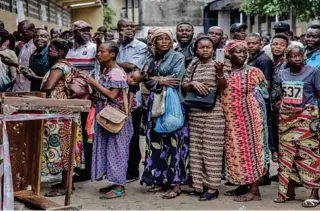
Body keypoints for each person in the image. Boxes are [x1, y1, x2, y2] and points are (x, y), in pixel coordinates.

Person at [80, 41, 133, 199]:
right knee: (110, 150)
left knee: (117, 151)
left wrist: (93, 83)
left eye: (102, 51)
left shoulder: (116, 72)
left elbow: (112, 95)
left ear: (112, 54)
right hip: (106, 116)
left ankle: (119, 187)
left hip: (116, 117)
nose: (98, 54)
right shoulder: (107, 69)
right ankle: (114, 182)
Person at [141, 28, 189, 199]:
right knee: (156, 142)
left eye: (167, 39)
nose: (164, 42)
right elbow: (145, 80)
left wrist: (156, 79)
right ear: (154, 42)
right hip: (154, 105)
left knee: (175, 143)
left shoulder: (178, 57)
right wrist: (160, 80)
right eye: (159, 39)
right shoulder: (151, 58)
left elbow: (176, 80)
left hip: (172, 104)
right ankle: (159, 179)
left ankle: (175, 184)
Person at [222, 40, 269, 202]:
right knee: (235, 152)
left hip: (249, 118)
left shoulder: (254, 72)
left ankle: (255, 191)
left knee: (251, 152)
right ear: (229, 54)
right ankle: (243, 184)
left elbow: (264, 90)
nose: (242, 55)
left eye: (244, 52)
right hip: (230, 118)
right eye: (237, 52)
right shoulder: (224, 71)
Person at [273, 45, 320, 208]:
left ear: (304, 56)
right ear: (287, 58)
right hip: (287, 120)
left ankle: (314, 192)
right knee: (286, 156)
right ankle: (288, 190)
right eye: (293, 56)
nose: (297, 59)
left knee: (309, 155)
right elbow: (282, 94)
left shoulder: (313, 72)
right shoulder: (282, 73)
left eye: (300, 55)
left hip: (306, 119)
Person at [182, 35, 226, 201]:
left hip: (213, 113)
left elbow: (224, 87)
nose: (205, 49)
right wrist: (193, 83)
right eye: (202, 47)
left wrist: (220, 71)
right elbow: (184, 85)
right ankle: (199, 186)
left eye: (209, 47)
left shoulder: (220, 64)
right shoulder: (194, 64)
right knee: (196, 150)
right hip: (195, 113)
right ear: (196, 49)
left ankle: (212, 188)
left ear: (213, 49)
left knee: (211, 151)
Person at [40, 38, 83, 196]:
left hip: (59, 114)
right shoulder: (68, 65)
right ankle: (66, 182)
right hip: (66, 112)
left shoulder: (58, 66)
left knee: (63, 148)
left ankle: (66, 186)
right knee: (67, 147)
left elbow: (49, 86)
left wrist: (39, 94)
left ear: (59, 52)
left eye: (50, 49)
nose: (48, 52)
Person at [66, 20, 98, 182]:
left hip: (87, 97)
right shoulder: (68, 48)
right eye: (82, 30)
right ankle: (76, 167)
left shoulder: (93, 48)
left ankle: (88, 169)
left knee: (87, 134)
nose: (86, 33)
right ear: (74, 32)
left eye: (88, 30)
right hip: (70, 98)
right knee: (73, 132)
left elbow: (97, 71)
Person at [116, 18, 148, 182]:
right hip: (114, 96)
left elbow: (133, 67)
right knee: (116, 134)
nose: (129, 29)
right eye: (125, 26)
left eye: (131, 26)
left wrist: (111, 62)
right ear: (118, 29)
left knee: (132, 135)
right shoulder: (116, 46)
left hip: (132, 96)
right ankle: (118, 168)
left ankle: (133, 170)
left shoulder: (140, 46)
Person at [269, 34, 290, 165]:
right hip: (272, 106)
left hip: (283, 107)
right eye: (275, 44)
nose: (277, 47)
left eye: (282, 45)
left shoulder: (287, 65)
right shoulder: (272, 63)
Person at [12, 20, 36, 92]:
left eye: (23, 32)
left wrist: (13, 64)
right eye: (19, 32)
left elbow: (32, 70)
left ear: (33, 31)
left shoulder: (35, 47)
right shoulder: (24, 46)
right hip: (19, 86)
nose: (20, 35)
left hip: (28, 88)